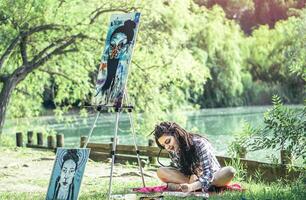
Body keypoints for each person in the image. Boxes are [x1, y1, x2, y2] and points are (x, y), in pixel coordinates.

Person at [153, 121, 236, 193]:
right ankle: (196, 187)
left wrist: (192, 185)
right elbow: (182, 172)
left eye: (168, 141)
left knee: (229, 171)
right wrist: (192, 176)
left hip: (213, 177)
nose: (167, 147)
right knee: (160, 171)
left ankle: (190, 187)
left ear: (176, 134)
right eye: (163, 145)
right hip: (192, 179)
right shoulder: (173, 149)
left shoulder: (199, 143)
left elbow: (208, 173)